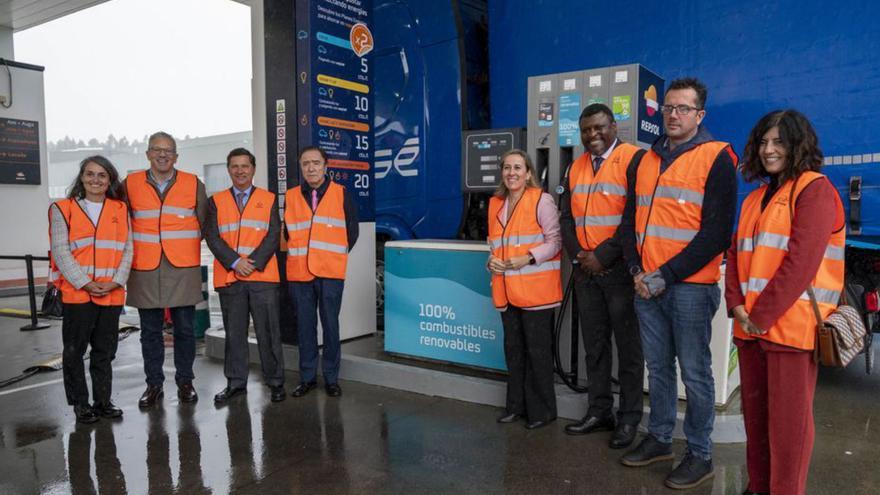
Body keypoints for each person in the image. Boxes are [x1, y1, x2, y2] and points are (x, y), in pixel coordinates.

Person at [619, 77, 738, 490]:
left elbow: (717, 234)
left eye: (683, 109)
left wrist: (664, 275)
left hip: (688, 288)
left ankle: (700, 454)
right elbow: (629, 222)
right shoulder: (644, 160)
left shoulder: (717, 158)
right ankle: (659, 438)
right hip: (646, 287)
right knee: (658, 369)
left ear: (699, 115)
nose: (673, 115)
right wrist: (636, 270)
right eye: (668, 107)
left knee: (695, 373)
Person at [725, 110, 844, 495]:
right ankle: (759, 486)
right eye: (763, 142)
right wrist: (735, 304)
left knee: (788, 429)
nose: (769, 150)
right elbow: (736, 256)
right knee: (756, 422)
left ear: (798, 145)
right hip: (750, 328)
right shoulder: (755, 198)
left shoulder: (815, 190)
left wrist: (757, 315)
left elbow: (800, 263)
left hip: (789, 331)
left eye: (778, 142)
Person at [559, 104, 646, 448]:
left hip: (620, 271)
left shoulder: (633, 160)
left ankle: (628, 420)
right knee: (594, 346)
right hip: (586, 272)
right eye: (586, 130)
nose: (592, 135)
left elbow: (635, 216)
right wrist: (579, 256)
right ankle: (600, 411)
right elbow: (567, 217)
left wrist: (603, 256)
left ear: (614, 126)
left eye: (599, 128)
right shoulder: (575, 167)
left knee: (628, 349)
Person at [125, 131, 208, 408]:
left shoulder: (193, 183)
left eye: (168, 150)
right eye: (157, 150)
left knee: (184, 329)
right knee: (149, 331)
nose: (162, 154)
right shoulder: (130, 183)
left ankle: (185, 381)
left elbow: (204, 223)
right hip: (145, 266)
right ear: (148, 153)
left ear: (176, 156)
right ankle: (154, 384)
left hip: (182, 267)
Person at [49, 156, 132, 423]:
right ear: (82, 177)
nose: (95, 180)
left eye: (102, 175)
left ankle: (103, 401)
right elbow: (61, 251)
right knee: (74, 350)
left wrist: (117, 281)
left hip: (111, 291)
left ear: (110, 180)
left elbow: (128, 250)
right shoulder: (63, 209)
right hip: (78, 293)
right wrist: (85, 283)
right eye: (90, 174)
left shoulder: (120, 209)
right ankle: (80, 404)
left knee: (104, 351)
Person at [204, 148, 286, 405]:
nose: (240, 171)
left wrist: (253, 263)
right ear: (229, 170)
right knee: (235, 335)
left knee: (268, 334)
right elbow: (212, 236)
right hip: (231, 278)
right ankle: (236, 383)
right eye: (234, 166)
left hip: (262, 277)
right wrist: (235, 262)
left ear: (253, 169)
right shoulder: (215, 201)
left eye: (245, 166)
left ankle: (275, 383)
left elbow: (273, 235)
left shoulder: (269, 199)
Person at [488, 149, 562, 430]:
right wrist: (491, 261)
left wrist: (528, 257)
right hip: (507, 291)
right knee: (514, 351)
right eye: (507, 167)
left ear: (528, 172)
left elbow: (555, 242)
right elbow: (494, 244)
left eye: (518, 167)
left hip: (536, 292)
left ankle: (542, 411)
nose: (512, 173)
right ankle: (515, 407)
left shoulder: (541, 200)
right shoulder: (496, 204)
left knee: (537, 353)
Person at [285, 146, 359, 397]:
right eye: (306, 163)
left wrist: (331, 256)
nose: (311, 168)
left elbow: (352, 232)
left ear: (326, 165)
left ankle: (331, 378)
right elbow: (288, 233)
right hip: (300, 274)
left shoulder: (341, 193)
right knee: (305, 328)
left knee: (330, 326)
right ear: (301, 166)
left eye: (316, 163)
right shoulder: (292, 195)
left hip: (330, 272)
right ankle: (307, 378)